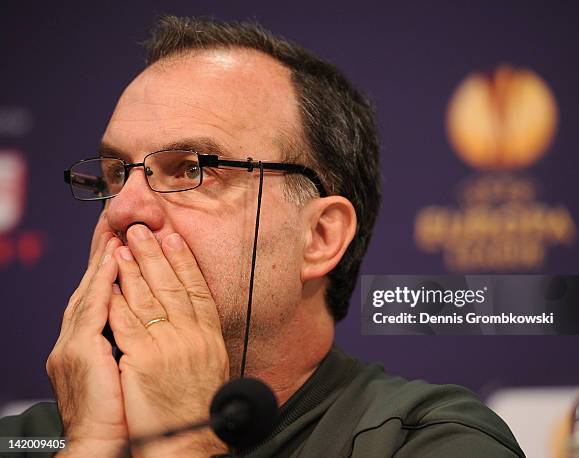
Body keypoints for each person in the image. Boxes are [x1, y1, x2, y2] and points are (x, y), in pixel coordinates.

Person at [0, 16, 524, 458]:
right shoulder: (25, 441)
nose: (125, 209)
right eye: (117, 173)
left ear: (319, 236)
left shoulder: (430, 439)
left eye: (191, 169)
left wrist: (183, 440)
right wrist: (89, 444)